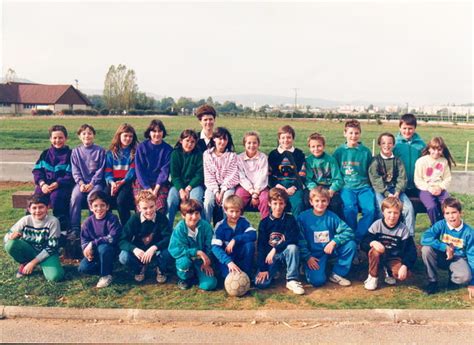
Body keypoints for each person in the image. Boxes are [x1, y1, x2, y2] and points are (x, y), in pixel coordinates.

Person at [298, 187, 356, 287]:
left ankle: (337, 273)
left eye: (323, 201)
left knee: (351, 245)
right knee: (317, 281)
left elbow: (349, 231)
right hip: (314, 255)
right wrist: (307, 257)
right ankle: (305, 266)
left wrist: (334, 241)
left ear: (328, 202)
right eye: (317, 201)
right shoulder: (303, 217)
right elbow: (299, 239)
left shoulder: (332, 216)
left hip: (331, 251)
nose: (320, 204)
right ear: (311, 202)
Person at [255, 188, 304, 295]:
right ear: (269, 203)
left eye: (281, 203)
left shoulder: (290, 219)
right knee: (261, 284)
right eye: (275, 203)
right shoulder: (264, 223)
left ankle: (292, 279)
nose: (278, 207)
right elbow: (261, 246)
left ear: (285, 204)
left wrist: (275, 249)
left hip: (284, 253)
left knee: (293, 247)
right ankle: (276, 270)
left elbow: (293, 238)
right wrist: (263, 268)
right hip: (271, 258)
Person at [332, 119, 375, 244]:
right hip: (347, 187)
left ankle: (357, 238)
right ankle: (350, 238)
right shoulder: (339, 151)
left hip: (364, 187)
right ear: (345, 133)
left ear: (360, 134)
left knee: (370, 210)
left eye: (356, 133)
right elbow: (335, 171)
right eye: (350, 133)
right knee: (350, 209)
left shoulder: (365, 151)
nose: (353, 136)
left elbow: (370, 171)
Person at [421, 197, 473, 297]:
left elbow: (472, 257)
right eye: (447, 213)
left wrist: (472, 283)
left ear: (460, 213)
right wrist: (444, 247)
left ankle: (453, 280)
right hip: (443, 256)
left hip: (458, 258)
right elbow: (424, 238)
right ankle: (433, 281)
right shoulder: (441, 225)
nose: (451, 217)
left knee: (465, 276)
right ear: (444, 215)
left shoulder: (469, 232)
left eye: (454, 212)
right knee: (426, 249)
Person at [361, 197, 417, 291]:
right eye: (389, 212)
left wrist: (405, 265)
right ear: (383, 212)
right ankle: (373, 277)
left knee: (404, 274)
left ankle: (389, 271)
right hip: (379, 254)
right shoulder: (377, 225)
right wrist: (373, 242)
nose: (392, 216)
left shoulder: (403, 229)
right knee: (375, 251)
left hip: (393, 257)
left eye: (396, 213)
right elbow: (363, 243)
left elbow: (411, 251)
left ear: (400, 214)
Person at [4, 194, 64, 281]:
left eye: (41, 207)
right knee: (10, 244)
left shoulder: (53, 221)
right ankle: (25, 263)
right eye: (34, 208)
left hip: (47, 253)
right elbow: (6, 237)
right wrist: (11, 236)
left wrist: (33, 263)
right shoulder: (26, 220)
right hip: (30, 250)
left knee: (55, 277)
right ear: (29, 209)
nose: (38, 211)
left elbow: (52, 247)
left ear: (47, 207)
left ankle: (36, 264)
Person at [118, 190, 171, 284]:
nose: (149, 211)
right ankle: (140, 267)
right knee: (123, 256)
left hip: (157, 250)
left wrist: (155, 247)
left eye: (152, 206)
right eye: (145, 208)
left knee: (169, 251)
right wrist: (134, 249)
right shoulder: (134, 219)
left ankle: (160, 268)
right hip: (140, 252)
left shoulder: (161, 218)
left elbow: (169, 237)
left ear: (156, 205)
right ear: (139, 208)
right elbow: (122, 240)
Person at [369, 132, 415, 236]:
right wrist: (386, 193)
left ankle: (408, 237)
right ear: (379, 145)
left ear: (393, 144)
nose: (386, 145)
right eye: (383, 143)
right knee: (382, 210)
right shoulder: (375, 161)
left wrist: (398, 192)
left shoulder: (397, 161)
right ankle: (380, 236)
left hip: (396, 190)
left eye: (389, 143)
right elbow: (375, 179)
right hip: (381, 191)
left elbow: (402, 177)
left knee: (408, 208)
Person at [168, 199, 217, 290]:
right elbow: (175, 249)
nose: (194, 217)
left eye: (197, 213)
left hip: (201, 261)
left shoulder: (205, 226)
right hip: (186, 258)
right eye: (190, 214)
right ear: (183, 215)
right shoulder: (179, 229)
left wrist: (207, 261)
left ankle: (197, 275)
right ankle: (184, 278)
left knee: (210, 285)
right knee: (184, 263)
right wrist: (197, 252)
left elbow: (210, 246)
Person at [32, 124, 73, 232]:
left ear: (66, 138)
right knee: (36, 200)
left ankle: (62, 229)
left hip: (61, 186)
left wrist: (58, 183)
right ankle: (34, 228)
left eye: (60, 138)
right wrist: (42, 183)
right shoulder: (45, 154)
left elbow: (70, 175)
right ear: (50, 139)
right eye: (54, 138)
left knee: (57, 198)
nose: (57, 140)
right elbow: (37, 171)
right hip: (44, 185)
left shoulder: (70, 154)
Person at [78, 191, 122, 288]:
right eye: (95, 206)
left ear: (107, 207)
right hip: (95, 252)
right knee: (83, 268)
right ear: (91, 207)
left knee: (103, 247)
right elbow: (84, 240)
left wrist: (93, 243)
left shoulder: (112, 219)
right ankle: (106, 267)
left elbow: (113, 237)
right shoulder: (87, 222)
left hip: (111, 250)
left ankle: (106, 275)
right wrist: (86, 250)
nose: (99, 209)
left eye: (102, 205)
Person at [69, 124, 106, 238]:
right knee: (75, 197)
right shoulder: (75, 152)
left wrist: (92, 183)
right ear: (79, 136)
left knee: (93, 197)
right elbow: (75, 170)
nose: (87, 136)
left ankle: (93, 225)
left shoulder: (100, 151)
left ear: (93, 135)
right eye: (84, 133)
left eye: (89, 133)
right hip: (81, 183)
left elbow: (101, 170)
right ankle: (75, 227)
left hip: (96, 183)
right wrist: (80, 183)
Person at [211, 195, 256, 279]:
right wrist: (228, 262)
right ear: (225, 210)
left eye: (237, 211)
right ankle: (225, 270)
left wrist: (235, 239)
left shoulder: (243, 221)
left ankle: (247, 273)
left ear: (241, 211)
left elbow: (253, 234)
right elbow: (215, 247)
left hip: (241, 254)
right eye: (231, 211)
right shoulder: (220, 226)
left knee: (249, 244)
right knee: (228, 276)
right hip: (228, 257)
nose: (234, 215)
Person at [167, 129, 204, 228]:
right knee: (171, 200)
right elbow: (175, 176)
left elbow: (199, 175)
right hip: (178, 185)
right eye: (187, 141)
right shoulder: (175, 154)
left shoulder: (198, 154)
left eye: (192, 142)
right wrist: (181, 190)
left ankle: (198, 230)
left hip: (194, 185)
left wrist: (188, 188)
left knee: (196, 202)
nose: (189, 144)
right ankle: (167, 230)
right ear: (181, 141)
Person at [414, 136, 456, 225]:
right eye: (433, 149)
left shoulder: (443, 161)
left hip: (440, 189)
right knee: (431, 207)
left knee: (449, 205)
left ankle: (448, 226)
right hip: (425, 189)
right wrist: (429, 188)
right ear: (429, 148)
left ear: (442, 150)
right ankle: (437, 226)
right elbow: (418, 180)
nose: (436, 152)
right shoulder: (421, 161)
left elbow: (447, 178)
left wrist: (440, 187)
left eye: (439, 150)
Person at [134, 119, 173, 213]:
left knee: (161, 208)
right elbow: (139, 170)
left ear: (163, 132)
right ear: (149, 133)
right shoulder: (141, 147)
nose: (157, 134)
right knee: (142, 207)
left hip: (160, 184)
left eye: (160, 131)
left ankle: (159, 228)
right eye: (154, 131)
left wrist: (155, 190)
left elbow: (164, 171)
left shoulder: (168, 149)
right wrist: (147, 188)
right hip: (142, 183)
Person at [203, 127, 239, 223]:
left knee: (226, 202)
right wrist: (216, 191)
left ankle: (225, 228)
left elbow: (232, 175)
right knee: (208, 202)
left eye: (225, 139)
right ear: (214, 139)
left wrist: (222, 191)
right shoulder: (207, 154)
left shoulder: (232, 156)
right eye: (220, 138)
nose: (222, 142)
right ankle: (206, 229)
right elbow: (209, 175)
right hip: (212, 186)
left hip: (227, 187)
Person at [268, 125, 306, 217]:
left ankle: (297, 228)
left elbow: (302, 173)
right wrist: (277, 185)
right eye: (283, 138)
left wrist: (294, 187)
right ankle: (275, 228)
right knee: (274, 204)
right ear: (279, 139)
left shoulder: (299, 154)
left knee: (298, 204)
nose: (286, 140)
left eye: (289, 137)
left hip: (294, 186)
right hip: (278, 185)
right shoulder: (273, 154)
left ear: (293, 138)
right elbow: (270, 174)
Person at [304, 132, 344, 220]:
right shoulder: (308, 161)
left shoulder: (331, 160)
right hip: (314, 187)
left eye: (319, 146)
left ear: (324, 146)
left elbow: (338, 179)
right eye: (313, 147)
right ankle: (310, 223)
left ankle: (335, 224)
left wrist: (332, 190)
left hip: (328, 187)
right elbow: (308, 179)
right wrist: (315, 190)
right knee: (306, 202)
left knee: (335, 204)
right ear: (309, 147)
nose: (316, 149)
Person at [105, 123, 138, 226]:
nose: (128, 139)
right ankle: (108, 225)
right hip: (113, 181)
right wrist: (112, 182)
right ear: (119, 136)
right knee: (105, 198)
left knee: (121, 201)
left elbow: (133, 170)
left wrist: (123, 181)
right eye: (125, 136)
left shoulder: (134, 152)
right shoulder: (111, 153)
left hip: (127, 181)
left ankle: (126, 226)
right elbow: (107, 171)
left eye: (130, 136)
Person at [235, 131, 270, 219]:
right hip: (245, 187)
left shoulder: (263, 158)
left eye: (255, 143)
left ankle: (265, 225)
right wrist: (251, 190)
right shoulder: (239, 158)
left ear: (258, 144)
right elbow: (241, 177)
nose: (252, 145)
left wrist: (256, 192)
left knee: (265, 199)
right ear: (244, 144)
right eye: (249, 143)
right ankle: (238, 224)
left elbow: (262, 176)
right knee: (238, 199)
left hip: (261, 187)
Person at [393, 113, 425, 197]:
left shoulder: (421, 145)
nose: (407, 131)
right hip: (400, 186)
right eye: (404, 128)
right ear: (399, 128)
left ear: (415, 129)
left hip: (417, 185)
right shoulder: (394, 144)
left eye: (410, 128)